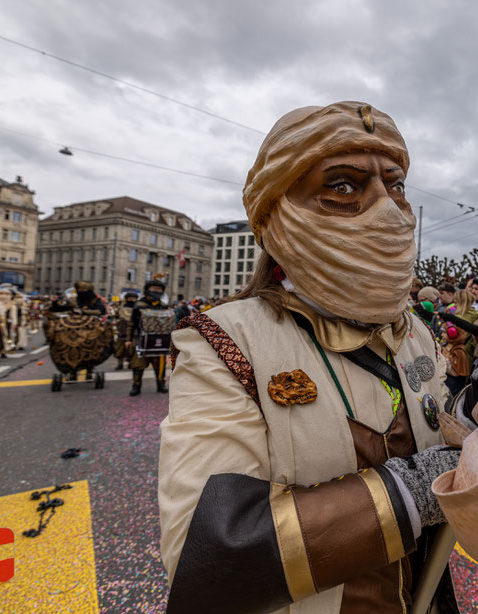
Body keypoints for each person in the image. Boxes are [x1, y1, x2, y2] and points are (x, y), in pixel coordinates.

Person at [159, 101, 458, 613]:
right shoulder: (226, 340)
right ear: (278, 211)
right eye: (343, 186)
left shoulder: (418, 335)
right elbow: (205, 552)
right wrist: (409, 492)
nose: (387, 208)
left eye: (397, 185)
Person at [127, 278, 171, 396]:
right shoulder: (139, 305)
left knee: (159, 364)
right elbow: (131, 323)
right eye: (154, 289)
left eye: (159, 289)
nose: (156, 291)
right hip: (141, 339)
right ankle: (136, 386)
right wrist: (129, 339)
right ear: (147, 290)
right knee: (138, 364)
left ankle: (160, 384)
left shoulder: (164, 306)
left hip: (160, 339)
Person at [114, 292, 138, 370]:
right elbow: (116, 316)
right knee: (120, 348)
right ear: (127, 299)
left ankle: (130, 362)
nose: (131, 300)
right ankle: (120, 363)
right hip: (122, 330)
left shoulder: (138, 308)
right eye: (130, 298)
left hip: (133, 332)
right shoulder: (121, 308)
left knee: (131, 349)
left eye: (133, 298)